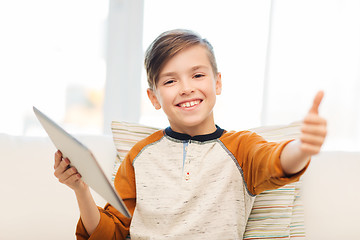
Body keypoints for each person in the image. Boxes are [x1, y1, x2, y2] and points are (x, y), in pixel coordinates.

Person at [54, 29, 327, 239]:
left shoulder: (242, 148)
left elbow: (278, 161)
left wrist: (303, 147)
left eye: (197, 75)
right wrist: (80, 189)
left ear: (217, 82)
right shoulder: (139, 156)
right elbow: (110, 233)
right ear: (154, 97)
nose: (186, 88)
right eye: (170, 81)